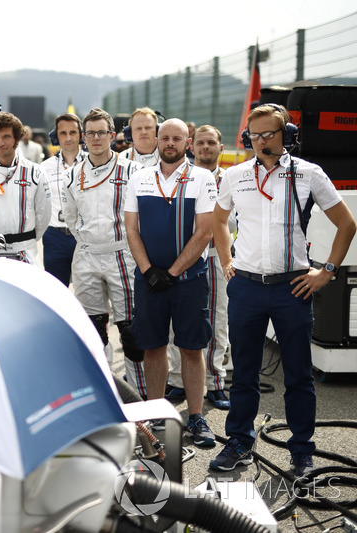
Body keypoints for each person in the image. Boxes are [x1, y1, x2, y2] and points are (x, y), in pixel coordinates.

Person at [209, 104, 356, 477]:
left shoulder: (307, 173)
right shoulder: (235, 175)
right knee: (242, 373)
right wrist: (227, 259)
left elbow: (346, 224)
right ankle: (240, 442)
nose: (260, 142)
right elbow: (219, 219)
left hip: (292, 288)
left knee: (298, 375)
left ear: (287, 135)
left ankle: (302, 452)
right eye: (254, 136)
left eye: (268, 134)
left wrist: (326, 272)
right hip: (245, 287)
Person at [124, 118, 217, 447]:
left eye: (177, 138)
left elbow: (205, 232)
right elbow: (131, 229)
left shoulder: (202, 178)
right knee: (153, 347)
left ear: (187, 142)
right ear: (158, 140)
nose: (170, 143)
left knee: (192, 348)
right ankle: (155, 413)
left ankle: (196, 416)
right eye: (165, 138)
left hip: (189, 279)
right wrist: (149, 271)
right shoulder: (139, 178)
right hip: (149, 279)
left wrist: (173, 272)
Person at [62, 108, 143, 370]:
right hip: (86, 255)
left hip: (122, 253)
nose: (96, 138)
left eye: (102, 132)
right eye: (90, 133)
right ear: (83, 137)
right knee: (93, 331)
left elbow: (141, 217)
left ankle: (140, 398)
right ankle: (105, 389)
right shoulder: (72, 174)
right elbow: (72, 220)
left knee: (132, 333)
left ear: (112, 134)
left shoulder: (134, 170)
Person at [165, 125, 231, 409]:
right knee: (178, 322)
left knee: (218, 319)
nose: (206, 147)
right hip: (188, 256)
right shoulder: (183, 176)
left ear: (221, 147)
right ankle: (179, 379)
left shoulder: (232, 179)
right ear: (192, 147)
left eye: (211, 143)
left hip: (219, 255)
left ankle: (215, 382)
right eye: (201, 143)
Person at [119, 106, 161, 398]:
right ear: (129, 133)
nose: (144, 132)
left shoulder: (173, 158)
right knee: (133, 320)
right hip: (126, 248)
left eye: (149, 127)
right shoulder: (117, 162)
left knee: (165, 323)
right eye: (138, 128)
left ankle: (167, 381)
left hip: (164, 247)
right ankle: (134, 382)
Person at [0, 112, 50, 263]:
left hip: (25, 251)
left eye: (6, 136)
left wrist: (23, 239)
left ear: (16, 139)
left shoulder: (36, 172)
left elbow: (43, 215)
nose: (0, 143)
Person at [40, 113, 86, 286]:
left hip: (83, 235)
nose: (68, 138)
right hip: (55, 236)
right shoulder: (44, 168)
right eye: (63, 133)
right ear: (55, 137)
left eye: (73, 132)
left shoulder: (91, 164)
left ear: (81, 135)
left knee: (88, 292)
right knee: (55, 290)